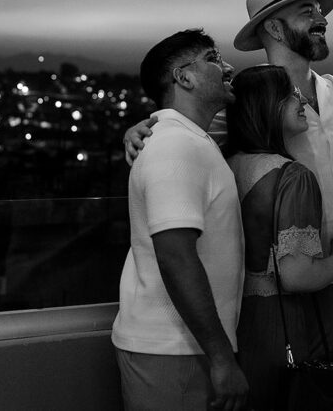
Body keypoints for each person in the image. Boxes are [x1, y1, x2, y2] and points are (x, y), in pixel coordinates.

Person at [125, 0, 333, 398]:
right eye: (307, 10)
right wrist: (142, 131)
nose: (322, 19)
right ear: (274, 27)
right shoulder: (240, 101)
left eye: (320, 10)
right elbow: (181, 135)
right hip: (278, 295)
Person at [111, 29, 248, 411]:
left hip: (183, 347)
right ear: (184, 77)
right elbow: (176, 256)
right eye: (212, 57)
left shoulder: (189, 140)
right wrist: (222, 358)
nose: (227, 66)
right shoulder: (175, 146)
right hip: (174, 351)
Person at [225, 64, 333, 410]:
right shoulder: (293, 177)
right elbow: (296, 276)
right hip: (281, 323)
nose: (300, 100)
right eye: (288, 95)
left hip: (238, 318)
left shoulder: (227, 162)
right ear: (266, 105)